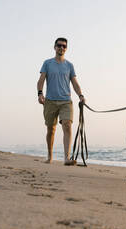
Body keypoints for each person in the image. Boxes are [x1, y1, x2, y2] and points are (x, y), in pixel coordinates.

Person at [37, 37, 85, 166]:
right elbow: (41, 80)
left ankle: (66, 158)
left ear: (66, 49)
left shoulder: (69, 65)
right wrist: (40, 93)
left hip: (66, 101)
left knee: (67, 125)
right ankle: (50, 155)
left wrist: (80, 95)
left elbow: (75, 83)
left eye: (64, 46)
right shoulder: (47, 63)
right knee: (51, 130)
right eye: (59, 45)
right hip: (50, 101)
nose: (61, 48)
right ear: (54, 47)